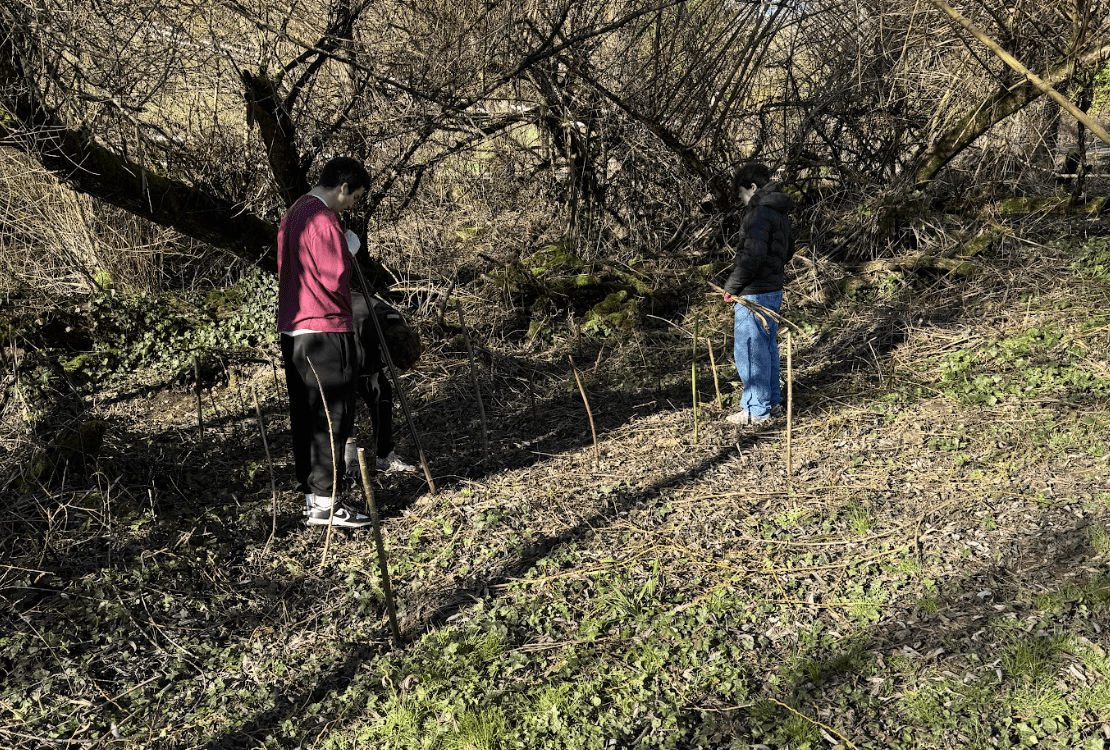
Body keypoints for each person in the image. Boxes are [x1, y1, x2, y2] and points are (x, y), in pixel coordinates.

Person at [278, 156, 373, 527]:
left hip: (295, 329)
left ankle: (314, 497)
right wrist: (349, 249)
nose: (352, 205)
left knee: (306, 415)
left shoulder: (295, 212)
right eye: (355, 197)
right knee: (333, 415)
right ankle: (326, 502)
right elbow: (335, 278)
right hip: (325, 328)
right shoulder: (322, 218)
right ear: (343, 187)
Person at [721, 162, 795, 426]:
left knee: (751, 349)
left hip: (753, 293)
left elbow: (751, 256)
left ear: (752, 187)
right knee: (767, 346)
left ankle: (756, 409)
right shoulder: (779, 210)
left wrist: (731, 287)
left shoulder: (758, 213)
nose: (742, 201)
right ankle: (771, 402)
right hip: (774, 288)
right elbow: (788, 251)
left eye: (741, 194)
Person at [344, 291, 418, 476]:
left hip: (366, 346)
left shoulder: (396, 324)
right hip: (340, 345)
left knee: (383, 392)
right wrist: (350, 451)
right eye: (388, 362)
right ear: (381, 348)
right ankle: (347, 460)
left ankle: (385, 457)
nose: (387, 367)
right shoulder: (361, 330)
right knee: (344, 403)